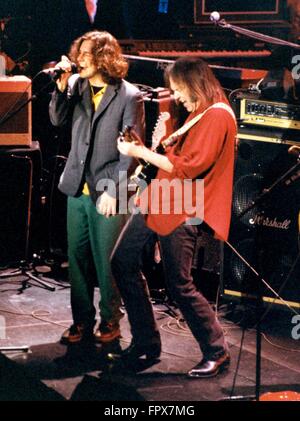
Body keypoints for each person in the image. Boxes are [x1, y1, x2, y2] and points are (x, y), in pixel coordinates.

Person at [110, 57, 237, 377]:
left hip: (183, 206)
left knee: (179, 283)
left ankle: (216, 350)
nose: (176, 95)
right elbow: (174, 160)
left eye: (179, 89)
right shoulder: (198, 114)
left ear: (196, 83)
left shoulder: (218, 115)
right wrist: (146, 149)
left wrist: (140, 154)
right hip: (159, 199)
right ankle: (146, 343)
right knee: (122, 261)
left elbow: (189, 168)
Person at [49, 30, 145, 345]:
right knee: (76, 259)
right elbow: (56, 120)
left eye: (87, 54)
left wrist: (113, 192)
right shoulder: (76, 86)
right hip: (77, 188)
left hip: (108, 190)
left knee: (106, 262)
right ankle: (81, 321)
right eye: (79, 53)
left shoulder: (129, 95)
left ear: (103, 58)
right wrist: (60, 89)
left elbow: (128, 153)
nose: (79, 59)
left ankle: (109, 321)